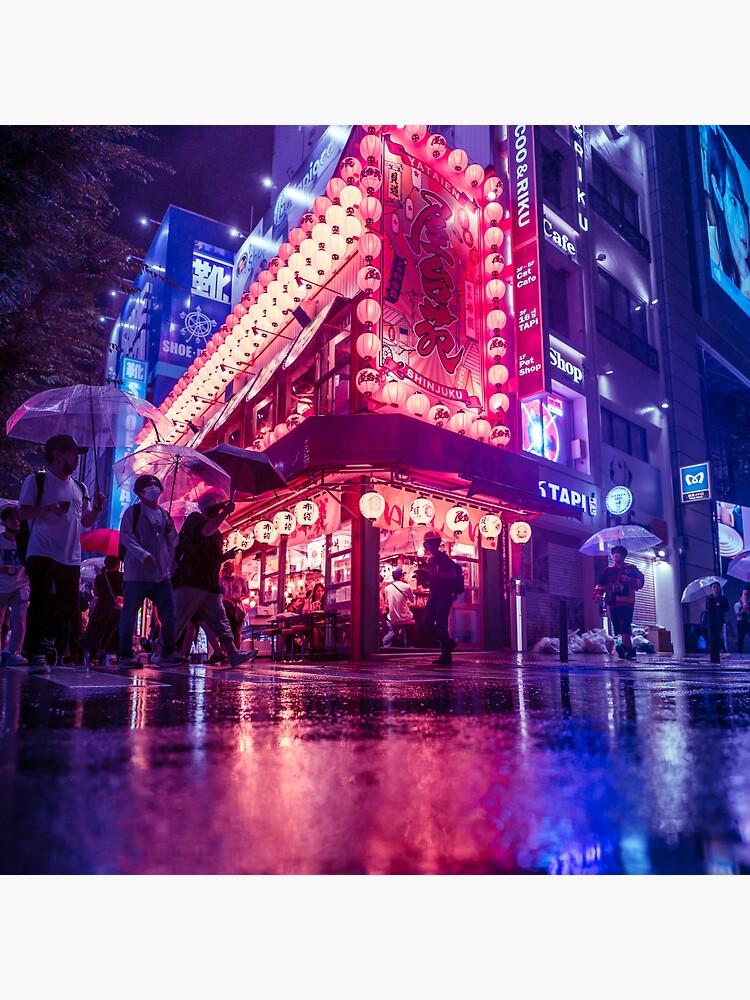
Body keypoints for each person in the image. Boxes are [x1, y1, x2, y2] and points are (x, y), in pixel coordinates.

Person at [18, 434, 105, 672]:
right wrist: (48, 509)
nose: (76, 460)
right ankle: (35, 653)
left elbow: (85, 520)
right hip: (42, 551)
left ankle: (47, 641)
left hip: (70, 555)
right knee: (41, 601)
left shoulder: (80, 487)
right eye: (73, 454)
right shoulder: (37, 482)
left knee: (70, 606)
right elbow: (22, 513)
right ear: (57, 455)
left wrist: (96, 508)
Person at [169, 488, 257, 669]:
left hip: (209, 583)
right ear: (207, 508)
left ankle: (232, 653)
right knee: (179, 619)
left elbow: (212, 558)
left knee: (219, 619)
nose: (218, 510)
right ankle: (162, 653)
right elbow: (204, 532)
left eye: (219, 508)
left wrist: (224, 557)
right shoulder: (195, 520)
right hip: (191, 579)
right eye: (216, 507)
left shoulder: (217, 533)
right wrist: (226, 512)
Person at [118, 474, 182, 668]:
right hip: (136, 575)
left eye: (156, 484)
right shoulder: (133, 512)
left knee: (169, 613)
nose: (153, 488)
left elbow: (174, 543)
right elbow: (126, 537)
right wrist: (142, 554)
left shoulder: (165, 515)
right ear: (140, 492)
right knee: (129, 614)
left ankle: (167, 653)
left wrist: (171, 530)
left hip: (161, 575)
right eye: (148, 485)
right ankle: (125, 655)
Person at [705, 127, 750, 296]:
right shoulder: (712, 247)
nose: (742, 223)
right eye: (733, 201)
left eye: (744, 208)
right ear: (717, 190)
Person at [593, 544, 645, 661]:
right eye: (614, 553)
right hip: (613, 601)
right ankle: (630, 649)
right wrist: (597, 594)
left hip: (627, 601)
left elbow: (641, 581)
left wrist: (629, 580)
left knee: (625, 624)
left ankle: (623, 646)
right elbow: (601, 583)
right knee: (617, 626)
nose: (616, 555)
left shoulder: (631, 568)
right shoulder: (608, 570)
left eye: (618, 553)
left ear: (624, 555)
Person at [422, 530, 460, 666]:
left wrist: (437, 574)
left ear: (434, 543)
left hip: (443, 596)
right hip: (435, 595)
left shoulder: (442, 558)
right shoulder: (432, 559)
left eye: (427, 541)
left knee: (441, 624)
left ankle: (446, 655)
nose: (424, 544)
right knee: (426, 623)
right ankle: (449, 643)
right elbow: (433, 578)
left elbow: (452, 575)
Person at [0, 506, 30, 666]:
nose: (16, 521)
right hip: (1, 585)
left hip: (20, 584)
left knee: (20, 619)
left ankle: (14, 652)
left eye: (18, 518)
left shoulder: (25, 540)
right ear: (4, 521)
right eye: (12, 518)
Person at [82, 555, 123, 665]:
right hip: (116, 609)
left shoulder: (100, 577)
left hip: (101, 609)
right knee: (116, 633)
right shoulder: (122, 577)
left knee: (97, 633)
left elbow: (96, 593)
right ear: (117, 565)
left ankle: (94, 657)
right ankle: (120, 658)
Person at [382, 568, 416, 648]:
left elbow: (387, 601)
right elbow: (412, 600)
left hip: (392, 617)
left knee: (394, 623)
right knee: (413, 618)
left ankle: (400, 635)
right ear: (402, 577)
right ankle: (410, 644)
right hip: (404, 617)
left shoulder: (387, 588)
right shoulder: (407, 586)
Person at [704, 580, 730, 653]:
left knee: (717, 634)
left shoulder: (723, 598)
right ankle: (714, 649)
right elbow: (706, 608)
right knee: (712, 635)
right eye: (714, 587)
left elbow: (727, 608)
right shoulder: (709, 598)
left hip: (719, 619)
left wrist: (719, 606)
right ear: (711, 588)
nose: (716, 589)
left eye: (717, 587)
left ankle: (722, 649)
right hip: (711, 619)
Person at [735, 587, 750, 654]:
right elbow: (737, 614)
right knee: (741, 638)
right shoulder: (737, 605)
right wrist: (744, 610)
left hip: (748, 622)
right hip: (741, 623)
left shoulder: (748, 604)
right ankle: (739, 652)